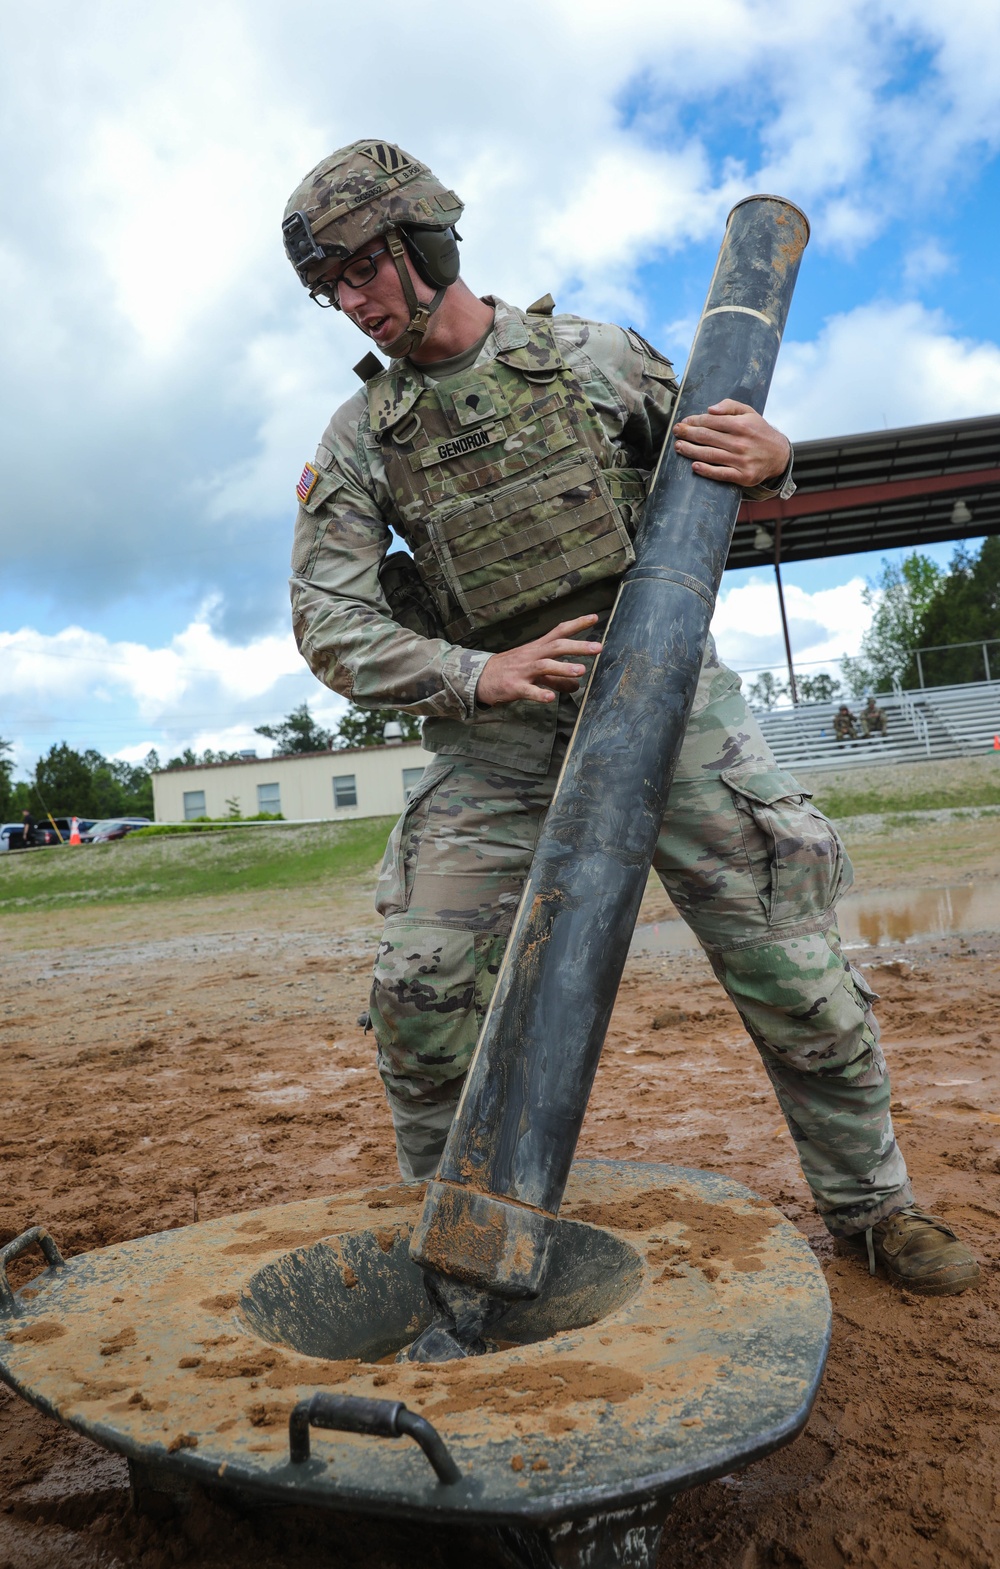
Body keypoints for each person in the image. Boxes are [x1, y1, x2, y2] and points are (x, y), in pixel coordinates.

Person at [285, 140, 977, 1295]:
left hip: (669, 705)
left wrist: (777, 462)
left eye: (361, 272)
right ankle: (443, 1219)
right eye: (330, 291)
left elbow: (732, 481)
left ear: (425, 246)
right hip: (501, 743)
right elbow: (328, 623)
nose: (351, 305)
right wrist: (475, 675)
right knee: (418, 989)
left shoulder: (593, 362)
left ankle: (874, 1208)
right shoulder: (359, 445)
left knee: (797, 976)